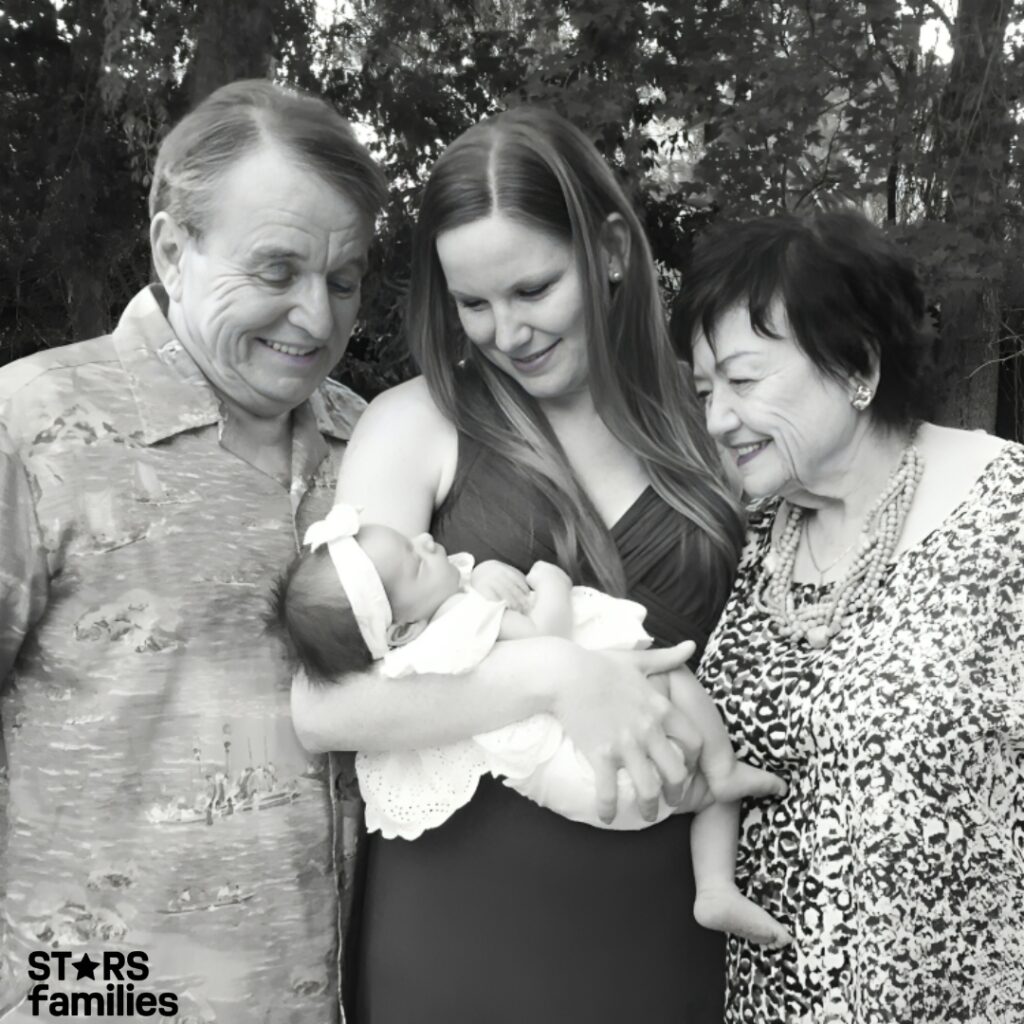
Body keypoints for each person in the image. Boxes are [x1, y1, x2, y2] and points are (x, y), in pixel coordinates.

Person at [290, 105, 749, 1023]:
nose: (506, 331)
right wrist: (552, 675)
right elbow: (323, 705)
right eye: (473, 303)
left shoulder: (714, 432)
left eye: (535, 289)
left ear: (611, 249)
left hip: (669, 921)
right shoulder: (416, 423)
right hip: (462, 938)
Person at [0, 79, 388, 1022]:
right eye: (276, 271)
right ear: (174, 248)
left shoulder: (372, 445)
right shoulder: (32, 425)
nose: (316, 317)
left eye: (343, 281)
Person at [675, 208, 1024, 1023]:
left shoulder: (1006, 508)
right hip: (778, 1001)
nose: (717, 418)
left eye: (744, 379)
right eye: (704, 390)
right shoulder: (757, 538)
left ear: (858, 363)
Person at [275, 504, 791, 945]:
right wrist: (553, 581)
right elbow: (550, 636)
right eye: (415, 560)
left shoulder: (422, 651)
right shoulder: (464, 622)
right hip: (605, 759)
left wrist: (482, 576)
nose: (428, 540)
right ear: (401, 627)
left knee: (691, 794)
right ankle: (724, 780)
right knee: (672, 674)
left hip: (581, 789)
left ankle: (717, 891)